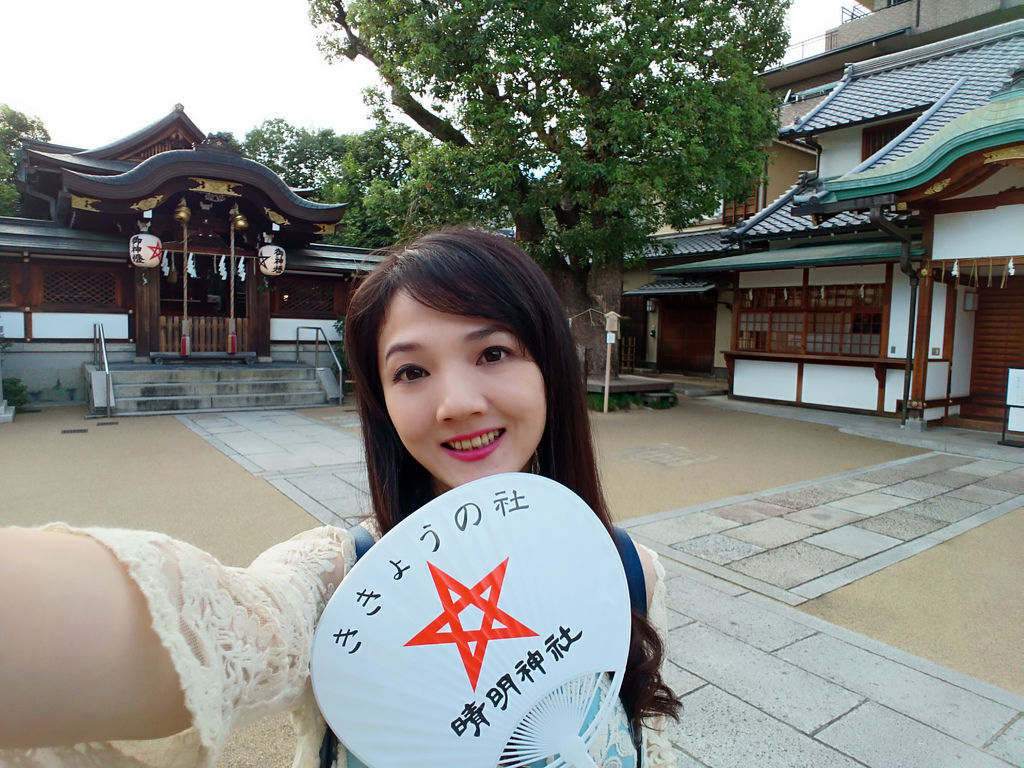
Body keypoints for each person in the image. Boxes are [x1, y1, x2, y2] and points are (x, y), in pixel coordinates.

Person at [0, 227, 679, 768]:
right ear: (381, 401)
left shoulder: (628, 570)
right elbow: (225, 620)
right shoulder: (338, 580)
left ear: (549, 367)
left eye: (493, 353)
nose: (457, 404)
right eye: (411, 370)